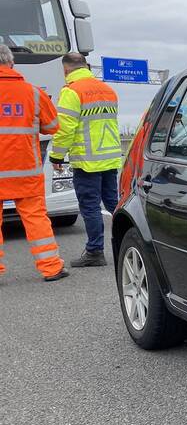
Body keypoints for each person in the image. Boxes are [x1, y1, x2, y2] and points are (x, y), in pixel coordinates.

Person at [0, 44, 69, 281]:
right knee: (35, 218)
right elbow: (52, 127)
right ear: (11, 64)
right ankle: (51, 268)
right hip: (25, 169)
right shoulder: (34, 93)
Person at [50, 52, 121, 267]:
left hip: (88, 160)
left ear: (66, 70)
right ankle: (130, 241)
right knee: (114, 204)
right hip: (110, 157)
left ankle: (94, 253)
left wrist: (57, 155)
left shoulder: (72, 91)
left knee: (89, 206)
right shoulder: (108, 90)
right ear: (86, 66)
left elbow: (65, 128)